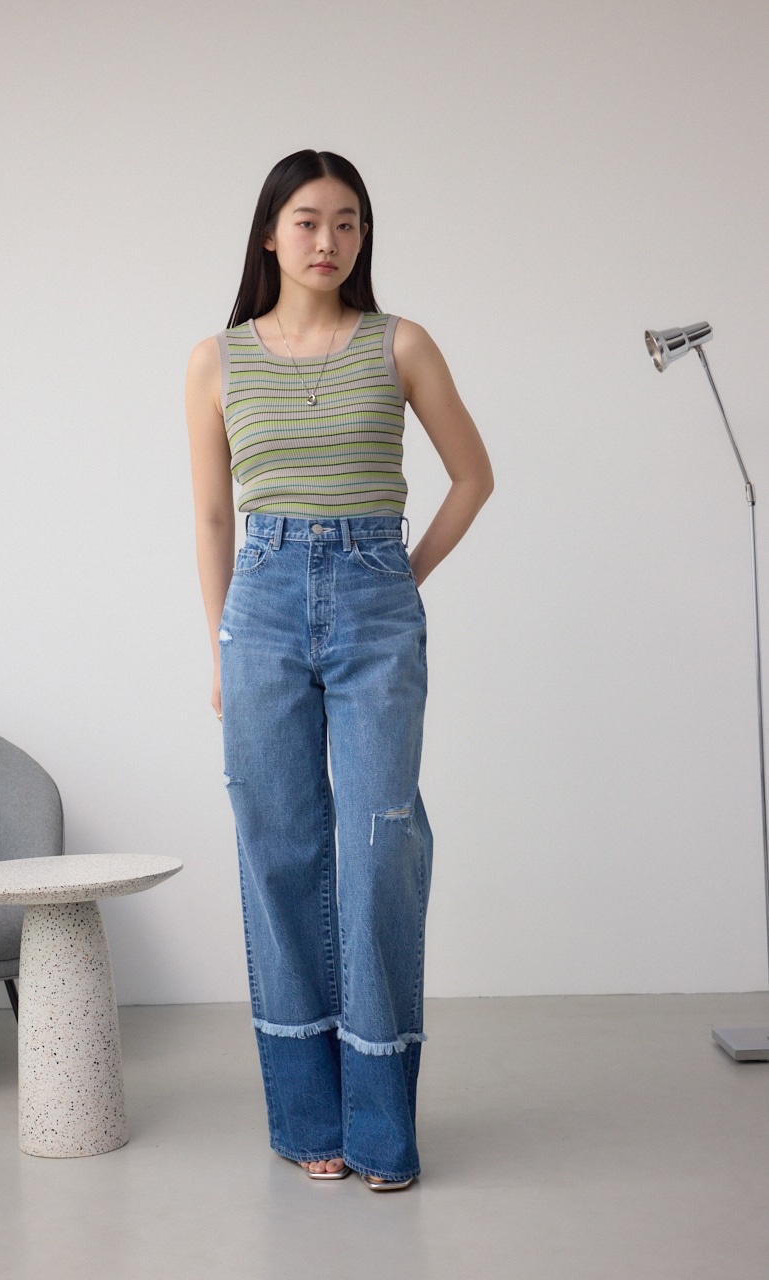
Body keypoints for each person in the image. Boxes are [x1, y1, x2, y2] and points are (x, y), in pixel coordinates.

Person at [186, 149, 493, 1190]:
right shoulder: (216, 360)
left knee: (377, 845)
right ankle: (307, 1116)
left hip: (373, 604)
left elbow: (472, 476)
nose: (329, 240)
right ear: (270, 234)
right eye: (309, 220)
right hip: (261, 608)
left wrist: (397, 576)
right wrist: (220, 645)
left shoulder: (399, 342)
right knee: (277, 849)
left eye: (348, 221)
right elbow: (213, 516)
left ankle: (380, 1124)